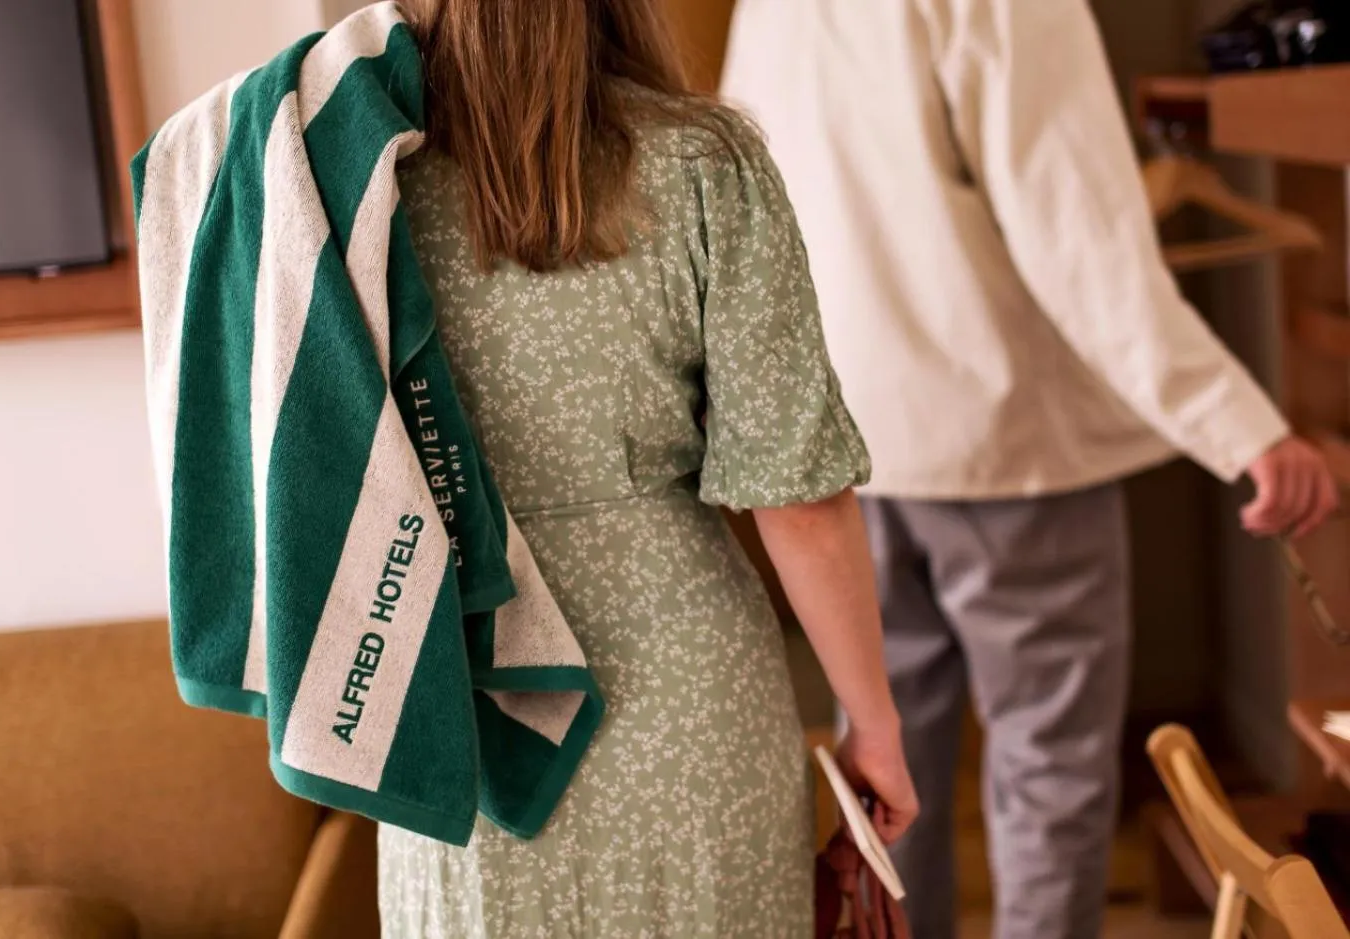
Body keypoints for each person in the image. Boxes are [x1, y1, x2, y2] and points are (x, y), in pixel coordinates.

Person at [719, 1, 1339, 938]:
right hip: (1003, 444)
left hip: (843, 443)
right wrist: (1242, 428)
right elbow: (1079, 237)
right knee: (1048, 774)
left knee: (887, 778)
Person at [377, 1, 919, 936]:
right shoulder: (704, 160)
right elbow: (798, 495)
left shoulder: (357, 178)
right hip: (690, 688)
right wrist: (871, 722)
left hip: (456, 691)